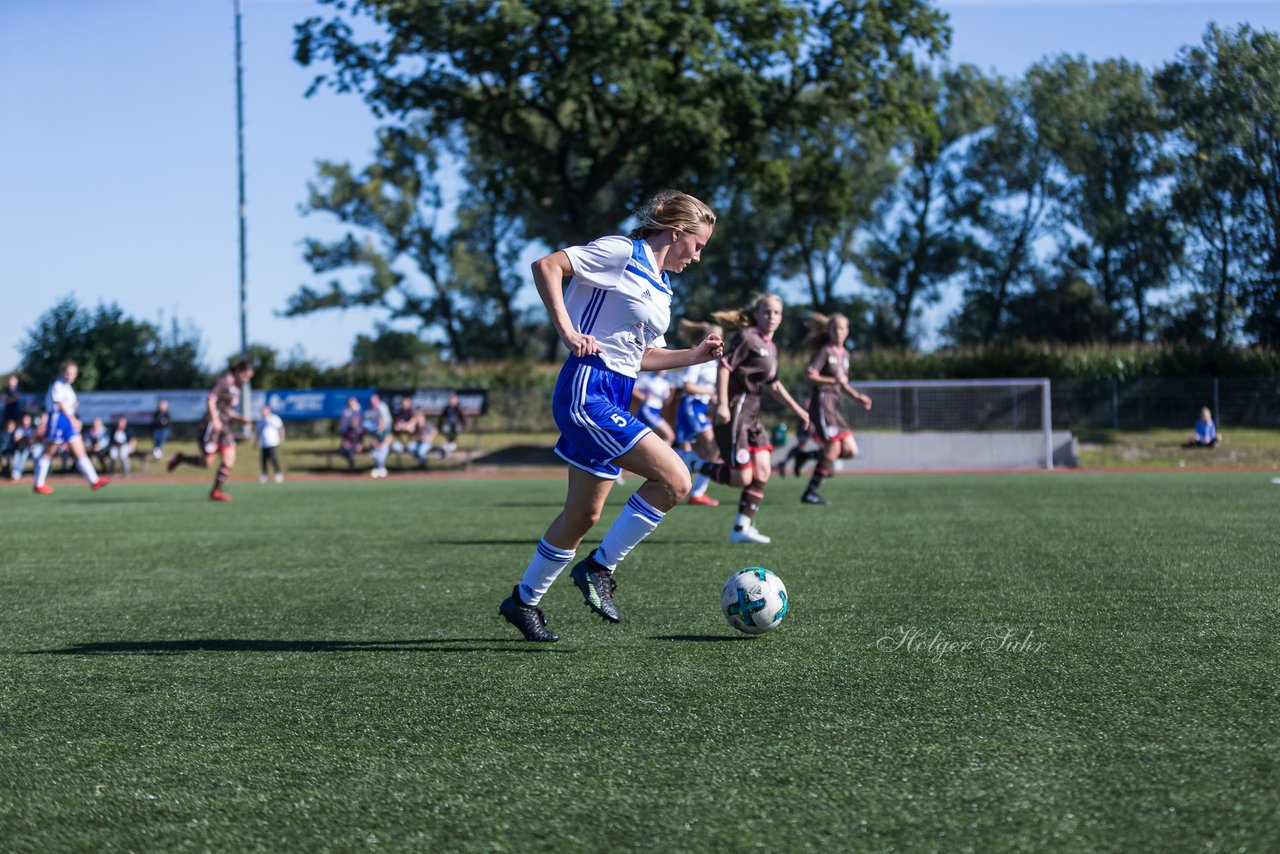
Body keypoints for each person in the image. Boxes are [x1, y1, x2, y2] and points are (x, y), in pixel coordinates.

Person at [498, 189, 723, 643]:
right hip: (587, 389)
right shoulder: (622, 251)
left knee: (583, 515)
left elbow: (640, 358)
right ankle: (599, 569)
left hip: (616, 392)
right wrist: (567, 330)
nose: (698, 257)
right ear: (676, 233)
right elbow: (546, 266)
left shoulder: (662, 289)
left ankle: (523, 601)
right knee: (676, 480)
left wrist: (695, 356)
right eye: (697, 245)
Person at [686, 294, 810, 544]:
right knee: (740, 478)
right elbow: (725, 366)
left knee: (763, 471)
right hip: (735, 412)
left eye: (776, 313)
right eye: (766, 312)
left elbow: (773, 384)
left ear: (781, 317)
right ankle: (693, 463)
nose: (771, 317)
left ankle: (741, 528)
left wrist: (799, 410)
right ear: (756, 314)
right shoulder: (747, 337)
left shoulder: (771, 347)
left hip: (752, 415)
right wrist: (722, 403)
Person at [797, 312, 873, 505]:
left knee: (850, 450)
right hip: (822, 402)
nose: (837, 331)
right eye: (833, 328)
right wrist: (832, 380)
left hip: (834, 405)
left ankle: (805, 456)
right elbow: (810, 376)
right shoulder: (825, 351)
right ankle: (810, 493)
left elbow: (842, 384)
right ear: (828, 331)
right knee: (833, 448)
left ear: (847, 331)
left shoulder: (845, 354)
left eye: (841, 328)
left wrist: (858, 397)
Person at [167, 360, 255, 501]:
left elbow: (226, 410)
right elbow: (211, 399)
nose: (246, 380)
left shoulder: (235, 388)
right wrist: (215, 419)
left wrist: (240, 419)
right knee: (207, 463)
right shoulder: (224, 382)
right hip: (211, 426)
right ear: (238, 370)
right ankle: (181, 458)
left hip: (224, 427)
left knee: (229, 457)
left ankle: (216, 492)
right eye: (245, 376)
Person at [31, 361, 110, 495]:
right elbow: (60, 404)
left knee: (80, 451)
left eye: (73, 373)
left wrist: (73, 412)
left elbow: (70, 404)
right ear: (62, 372)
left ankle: (94, 480)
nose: (70, 376)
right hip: (58, 419)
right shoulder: (58, 385)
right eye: (67, 373)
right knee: (50, 451)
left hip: (67, 420)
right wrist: (73, 419)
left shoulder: (68, 387)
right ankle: (38, 483)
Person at [674, 320, 724, 507]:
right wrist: (709, 392)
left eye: (720, 338)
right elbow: (687, 386)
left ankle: (677, 466)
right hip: (691, 406)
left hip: (702, 408)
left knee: (706, 452)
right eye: (713, 337)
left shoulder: (715, 359)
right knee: (712, 448)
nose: (717, 341)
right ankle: (696, 490)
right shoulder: (698, 355)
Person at [633, 370, 675, 444]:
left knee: (646, 439)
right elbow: (633, 388)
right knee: (670, 436)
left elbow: (666, 402)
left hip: (657, 411)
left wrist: (672, 391)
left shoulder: (665, 382)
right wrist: (642, 397)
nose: (662, 370)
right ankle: (663, 455)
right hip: (648, 410)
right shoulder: (647, 378)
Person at [365, 392, 393, 478]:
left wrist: (382, 444)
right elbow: (372, 438)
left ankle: (380, 469)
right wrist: (377, 445)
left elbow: (389, 437)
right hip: (376, 445)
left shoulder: (382, 407)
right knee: (376, 452)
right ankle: (381, 469)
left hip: (384, 444)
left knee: (382, 451)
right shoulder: (370, 411)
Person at [255, 403, 286, 483]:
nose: (263, 412)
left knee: (273, 458)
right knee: (263, 460)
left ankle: (278, 474)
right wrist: (256, 442)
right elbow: (258, 432)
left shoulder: (274, 418)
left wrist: (281, 439)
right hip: (263, 443)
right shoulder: (260, 421)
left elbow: (281, 428)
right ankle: (264, 475)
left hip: (273, 443)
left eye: (265, 410)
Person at [436, 392, 470, 457]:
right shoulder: (447, 408)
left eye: (454, 399)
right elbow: (441, 418)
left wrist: (465, 426)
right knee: (446, 428)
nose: (452, 401)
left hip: (456, 425)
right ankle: (450, 444)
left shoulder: (459, 408)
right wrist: (438, 426)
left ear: (456, 400)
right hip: (448, 425)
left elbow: (463, 418)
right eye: (451, 399)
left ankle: (452, 443)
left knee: (456, 428)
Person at [337, 396, 364, 470]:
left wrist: (360, 443)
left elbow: (361, 433)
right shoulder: (345, 413)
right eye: (350, 402)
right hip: (348, 442)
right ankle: (351, 468)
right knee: (346, 450)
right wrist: (345, 442)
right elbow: (342, 430)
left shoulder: (359, 412)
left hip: (356, 442)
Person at [10, 413, 38, 481]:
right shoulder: (19, 429)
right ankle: (15, 472)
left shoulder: (32, 430)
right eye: (24, 419)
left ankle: (19, 472)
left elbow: (32, 440)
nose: (25, 421)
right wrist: (23, 438)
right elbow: (16, 439)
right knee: (17, 456)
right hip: (19, 447)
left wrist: (26, 438)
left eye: (27, 419)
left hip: (28, 448)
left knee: (24, 455)